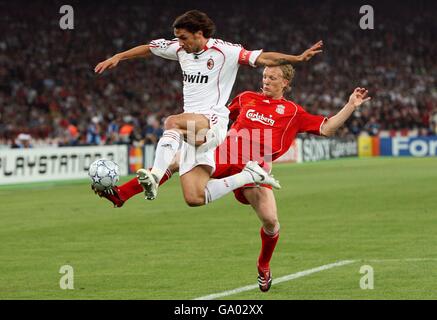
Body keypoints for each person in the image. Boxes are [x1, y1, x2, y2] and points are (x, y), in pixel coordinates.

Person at [95, 64, 371, 292]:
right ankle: (121, 194)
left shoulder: (293, 112)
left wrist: (350, 105)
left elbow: (327, 127)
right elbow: (219, 118)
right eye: (264, 76)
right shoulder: (246, 98)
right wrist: (201, 132)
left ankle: (263, 265)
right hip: (224, 153)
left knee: (271, 222)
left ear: (285, 82)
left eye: (272, 77)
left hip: (255, 168)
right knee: (181, 159)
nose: (266, 80)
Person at [94, 9, 323, 205]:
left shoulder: (226, 52)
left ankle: (154, 176)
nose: (180, 43)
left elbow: (264, 58)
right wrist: (119, 56)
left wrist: (296, 58)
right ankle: (248, 176)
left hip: (213, 121)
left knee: (172, 122)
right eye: (178, 38)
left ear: (199, 34)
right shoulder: (180, 49)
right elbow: (149, 48)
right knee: (194, 197)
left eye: (184, 38)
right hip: (195, 127)